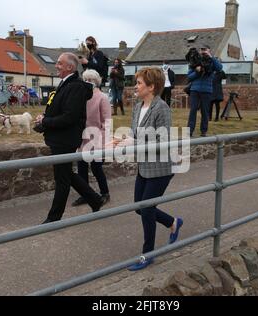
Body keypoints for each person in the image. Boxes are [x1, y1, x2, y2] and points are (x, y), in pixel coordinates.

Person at [112, 67, 183, 271]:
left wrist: (132, 142)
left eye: (140, 83)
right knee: (139, 207)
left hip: (161, 167)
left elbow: (162, 139)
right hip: (145, 165)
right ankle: (173, 222)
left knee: (146, 208)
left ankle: (148, 254)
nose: (136, 86)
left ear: (151, 87)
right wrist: (124, 139)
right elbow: (135, 133)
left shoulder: (162, 108)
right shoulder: (137, 106)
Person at [35, 53, 104, 224]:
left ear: (70, 67)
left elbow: (69, 117)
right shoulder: (67, 84)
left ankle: (54, 218)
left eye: (59, 63)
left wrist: (46, 121)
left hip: (64, 140)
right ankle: (95, 199)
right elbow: (59, 110)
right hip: (59, 138)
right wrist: (44, 118)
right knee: (66, 174)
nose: (56, 66)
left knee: (62, 178)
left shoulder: (75, 87)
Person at [72, 69, 112, 207]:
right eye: (85, 80)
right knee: (81, 168)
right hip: (83, 138)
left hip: (97, 138)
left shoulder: (102, 97)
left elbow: (107, 121)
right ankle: (85, 194)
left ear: (96, 82)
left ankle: (105, 193)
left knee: (96, 168)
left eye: (90, 80)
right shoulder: (81, 96)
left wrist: (104, 142)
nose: (88, 82)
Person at [187, 46, 223, 137]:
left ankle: (203, 131)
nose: (203, 52)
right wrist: (196, 72)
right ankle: (189, 131)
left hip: (206, 91)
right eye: (201, 50)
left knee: (205, 111)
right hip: (194, 90)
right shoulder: (195, 62)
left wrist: (211, 56)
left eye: (205, 50)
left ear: (209, 51)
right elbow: (189, 77)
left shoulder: (212, 62)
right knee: (193, 110)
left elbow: (219, 68)